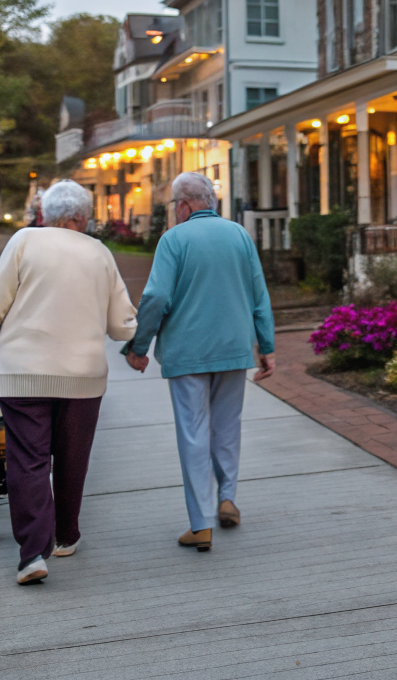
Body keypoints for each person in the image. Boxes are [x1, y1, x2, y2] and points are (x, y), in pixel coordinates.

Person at [0, 179, 137, 585]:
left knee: (28, 458)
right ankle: (65, 536)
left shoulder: (25, 241)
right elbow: (121, 325)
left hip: (22, 373)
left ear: (46, 215)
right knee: (72, 455)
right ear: (82, 218)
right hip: (82, 376)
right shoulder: (100, 253)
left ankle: (32, 555)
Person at [125, 172, 275, 552]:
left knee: (194, 433)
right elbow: (259, 294)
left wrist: (139, 346)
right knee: (227, 427)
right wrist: (266, 346)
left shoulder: (173, 240)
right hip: (233, 349)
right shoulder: (240, 235)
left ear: (183, 205)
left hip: (187, 353)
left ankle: (200, 523)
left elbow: (156, 296)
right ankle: (228, 497)